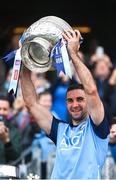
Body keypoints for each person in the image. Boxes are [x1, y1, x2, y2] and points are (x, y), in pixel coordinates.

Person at [20, 29, 110, 179]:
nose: (75, 104)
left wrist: (73, 54)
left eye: (80, 99)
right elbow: (31, 104)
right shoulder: (60, 129)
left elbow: (92, 91)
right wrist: (25, 61)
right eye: (70, 100)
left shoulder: (97, 128)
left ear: (88, 102)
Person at [0, 92, 22, 164]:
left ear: (9, 111)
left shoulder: (14, 131)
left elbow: (15, 156)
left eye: (5, 109)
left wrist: (6, 140)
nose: (2, 112)